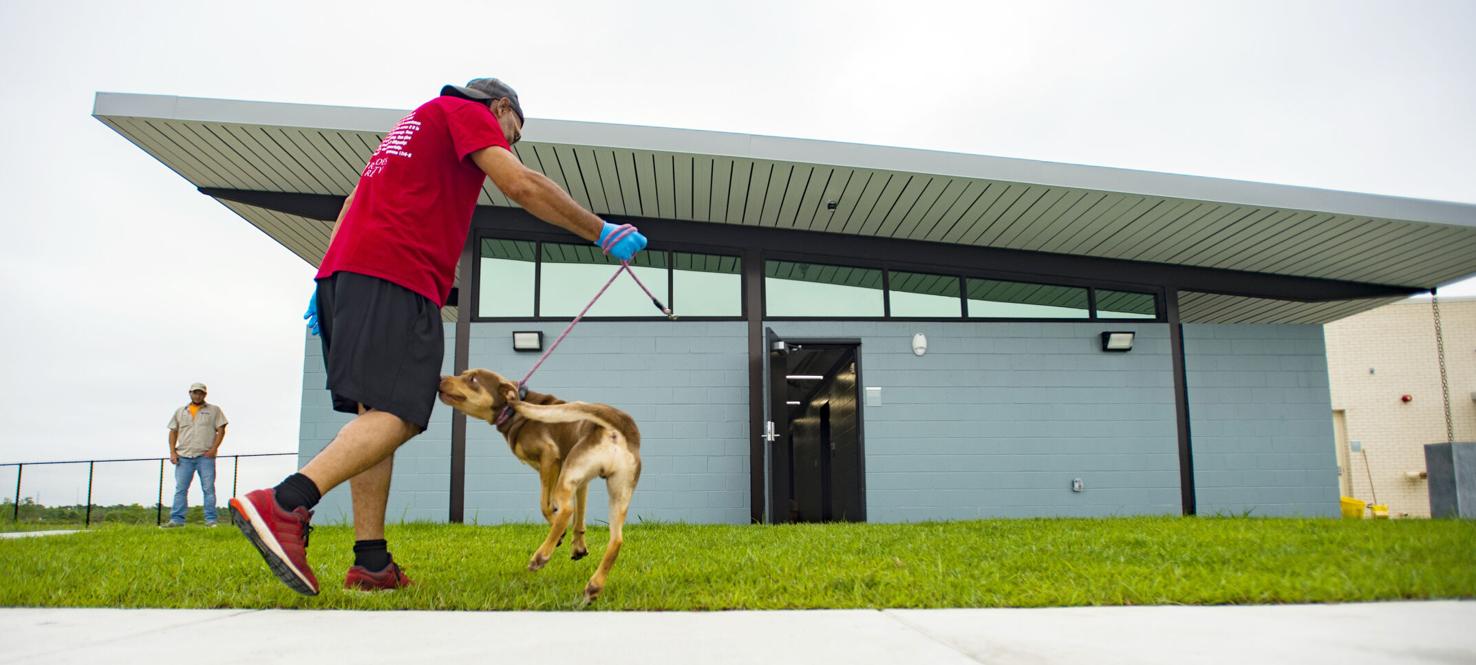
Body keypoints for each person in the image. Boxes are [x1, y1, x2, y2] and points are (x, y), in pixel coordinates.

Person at [229, 78, 648, 595]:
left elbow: (355, 199)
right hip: (397, 277)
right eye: (512, 134)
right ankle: (287, 502)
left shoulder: (410, 129)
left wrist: (325, 278)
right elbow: (519, 185)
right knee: (402, 413)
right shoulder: (464, 112)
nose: (507, 146)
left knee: (375, 415)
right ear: (499, 107)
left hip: (348, 276)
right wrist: (598, 231)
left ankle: (372, 562)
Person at [164, 382, 228, 528]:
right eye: (195, 392)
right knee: (181, 489)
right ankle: (177, 520)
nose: (197, 395)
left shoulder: (214, 410)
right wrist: (172, 452)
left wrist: (214, 449)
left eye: (200, 393)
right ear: (190, 393)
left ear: (205, 394)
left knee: (208, 488)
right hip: (184, 456)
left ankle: (210, 520)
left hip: (205, 456)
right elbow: (173, 431)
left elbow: (221, 429)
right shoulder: (180, 411)